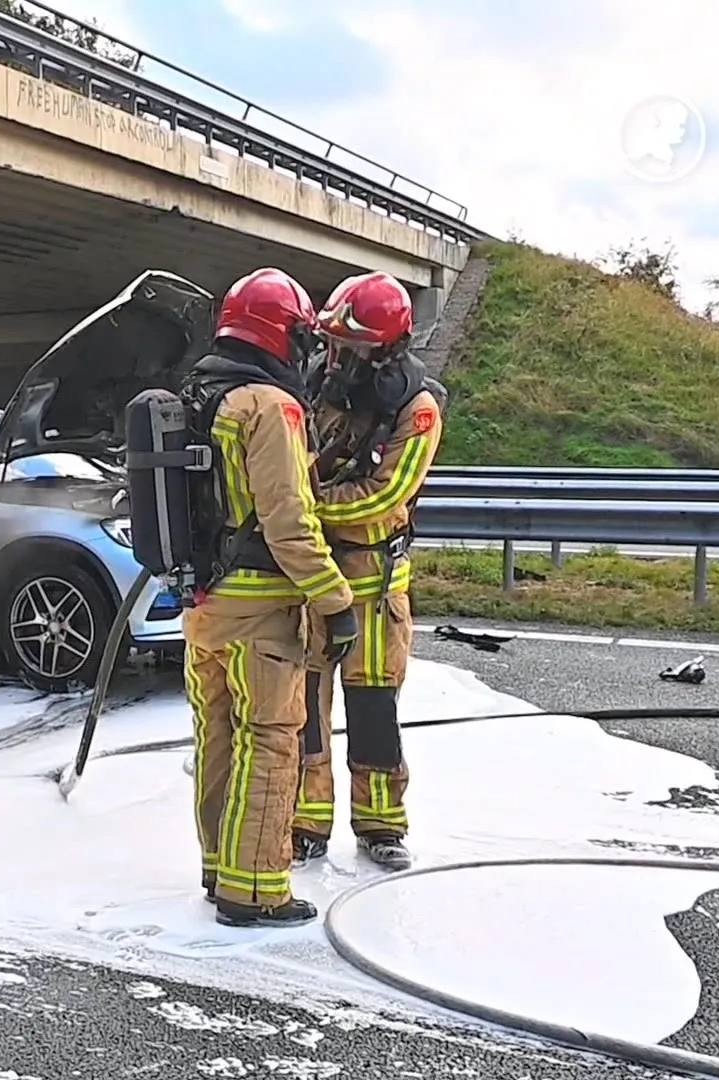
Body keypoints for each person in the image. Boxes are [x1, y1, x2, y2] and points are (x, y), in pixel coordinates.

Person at [180, 267, 359, 929]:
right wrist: (335, 600)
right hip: (261, 606)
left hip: (204, 603)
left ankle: (217, 866)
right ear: (280, 334)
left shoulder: (199, 393)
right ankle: (255, 890)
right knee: (271, 738)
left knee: (217, 733)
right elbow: (289, 519)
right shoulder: (269, 406)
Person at [290, 271, 446, 872]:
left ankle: (381, 824)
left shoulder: (416, 409)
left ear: (382, 349)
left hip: (373, 584)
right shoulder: (318, 392)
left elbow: (384, 497)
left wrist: (305, 506)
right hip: (313, 578)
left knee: (373, 706)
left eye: (347, 348)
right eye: (331, 345)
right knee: (305, 708)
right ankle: (307, 820)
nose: (334, 358)